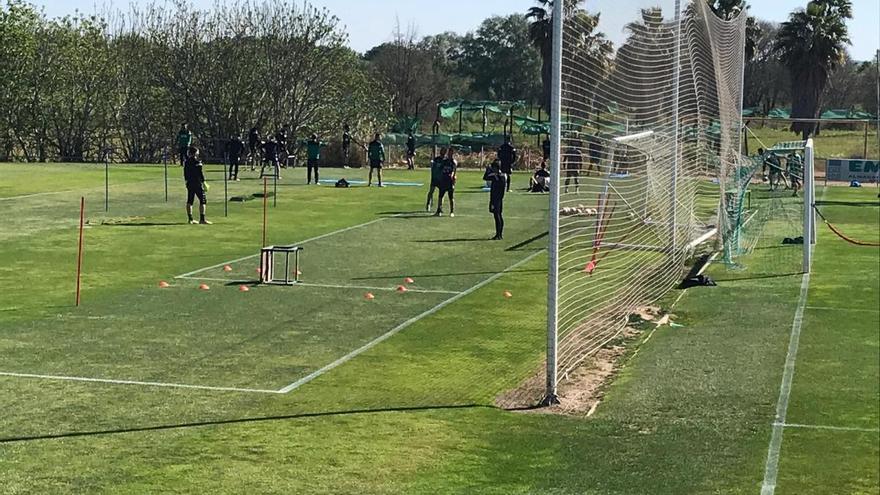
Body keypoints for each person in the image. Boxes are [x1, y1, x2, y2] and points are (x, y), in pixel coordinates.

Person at [183, 146, 211, 224]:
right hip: (197, 183)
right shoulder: (197, 162)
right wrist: (204, 182)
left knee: (190, 200)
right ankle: (202, 219)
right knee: (203, 200)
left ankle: (190, 219)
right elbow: (200, 174)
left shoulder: (186, 162)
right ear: (195, 153)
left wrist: (186, 181)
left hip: (189, 183)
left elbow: (185, 173)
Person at [483, 159, 506, 240]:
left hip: (495, 198)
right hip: (499, 198)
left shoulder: (496, 176)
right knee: (499, 215)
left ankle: (498, 234)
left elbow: (485, 177)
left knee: (497, 216)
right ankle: (500, 233)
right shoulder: (502, 176)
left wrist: (487, 170)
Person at [434, 148, 457, 217]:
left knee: (451, 197)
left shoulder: (453, 162)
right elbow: (440, 169)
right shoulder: (445, 161)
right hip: (443, 180)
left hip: (450, 181)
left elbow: (453, 171)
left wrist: (453, 179)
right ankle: (439, 210)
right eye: (449, 153)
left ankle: (452, 211)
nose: (450, 154)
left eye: (451, 153)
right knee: (440, 196)